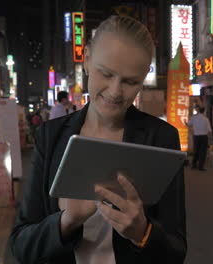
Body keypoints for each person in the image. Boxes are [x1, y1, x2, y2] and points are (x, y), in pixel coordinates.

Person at [10, 15, 186, 264]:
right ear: (87, 60)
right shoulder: (51, 136)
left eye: (130, 81)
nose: (115, 91)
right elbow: (21, 245)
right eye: (106, 74)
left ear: (144, 76)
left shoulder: (161, 138)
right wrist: (66, 221)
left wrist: (143, 233)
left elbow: (176, 250)